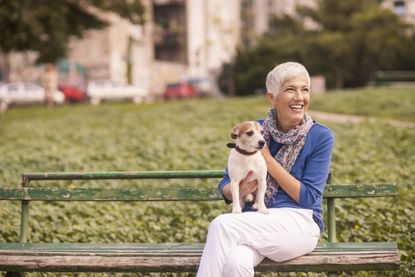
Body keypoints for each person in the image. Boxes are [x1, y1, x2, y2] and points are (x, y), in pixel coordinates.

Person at [196, 61, 334, 277]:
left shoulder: (320, 136)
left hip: (299, 224)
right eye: (290, 89)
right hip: (256, 221)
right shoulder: (254, 130)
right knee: (235, 263)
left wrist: (267, 160)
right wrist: (239, 191)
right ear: (272, 97)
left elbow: (309, 199)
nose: (300, 97)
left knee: (222, 225)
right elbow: (225, 185)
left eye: (304, 90)